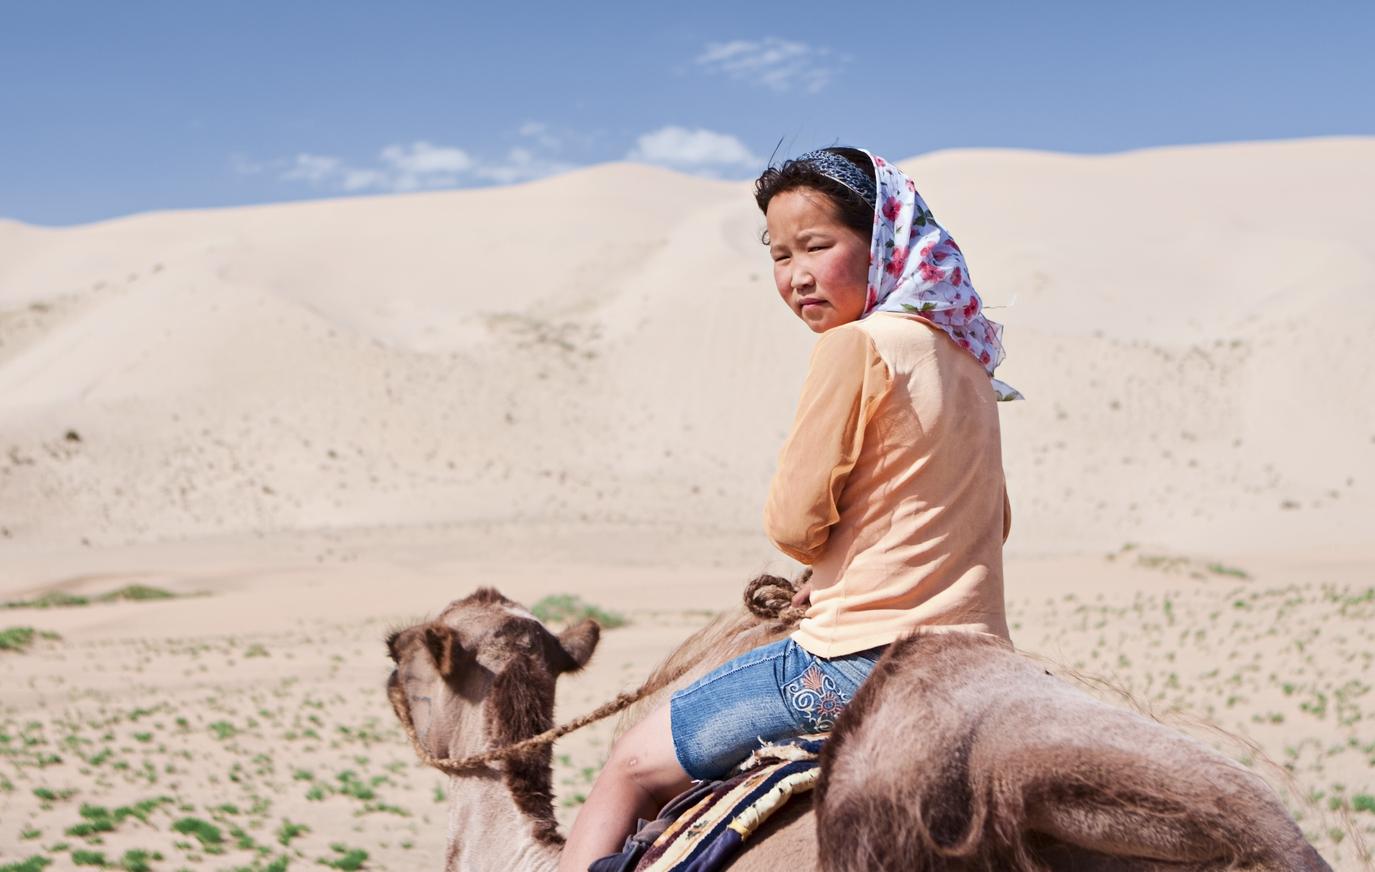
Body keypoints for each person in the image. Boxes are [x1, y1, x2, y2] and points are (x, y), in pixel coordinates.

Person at [558, 146, 1020, 872]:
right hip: (983, 661)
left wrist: (818, 558)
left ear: (882, 244)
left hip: (861, 662)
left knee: (629, 768)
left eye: (817, 245)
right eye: (779, 256)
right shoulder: (968, 360)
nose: (797, 274)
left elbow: (793, 522)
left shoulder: (856, 346)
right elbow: (993, 523)